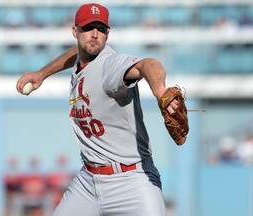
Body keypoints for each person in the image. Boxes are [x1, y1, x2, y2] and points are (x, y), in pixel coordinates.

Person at [16, 3, 187, 216]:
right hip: (88, 181)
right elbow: (75, 54)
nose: (95, 34)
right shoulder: (83, 57)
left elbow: (149, 64)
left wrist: (160, 90)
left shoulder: (110, 66)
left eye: (101, 29)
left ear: (107, 34)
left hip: (132, 181)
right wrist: (42, 73)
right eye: (88, 28)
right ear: (75, 31)